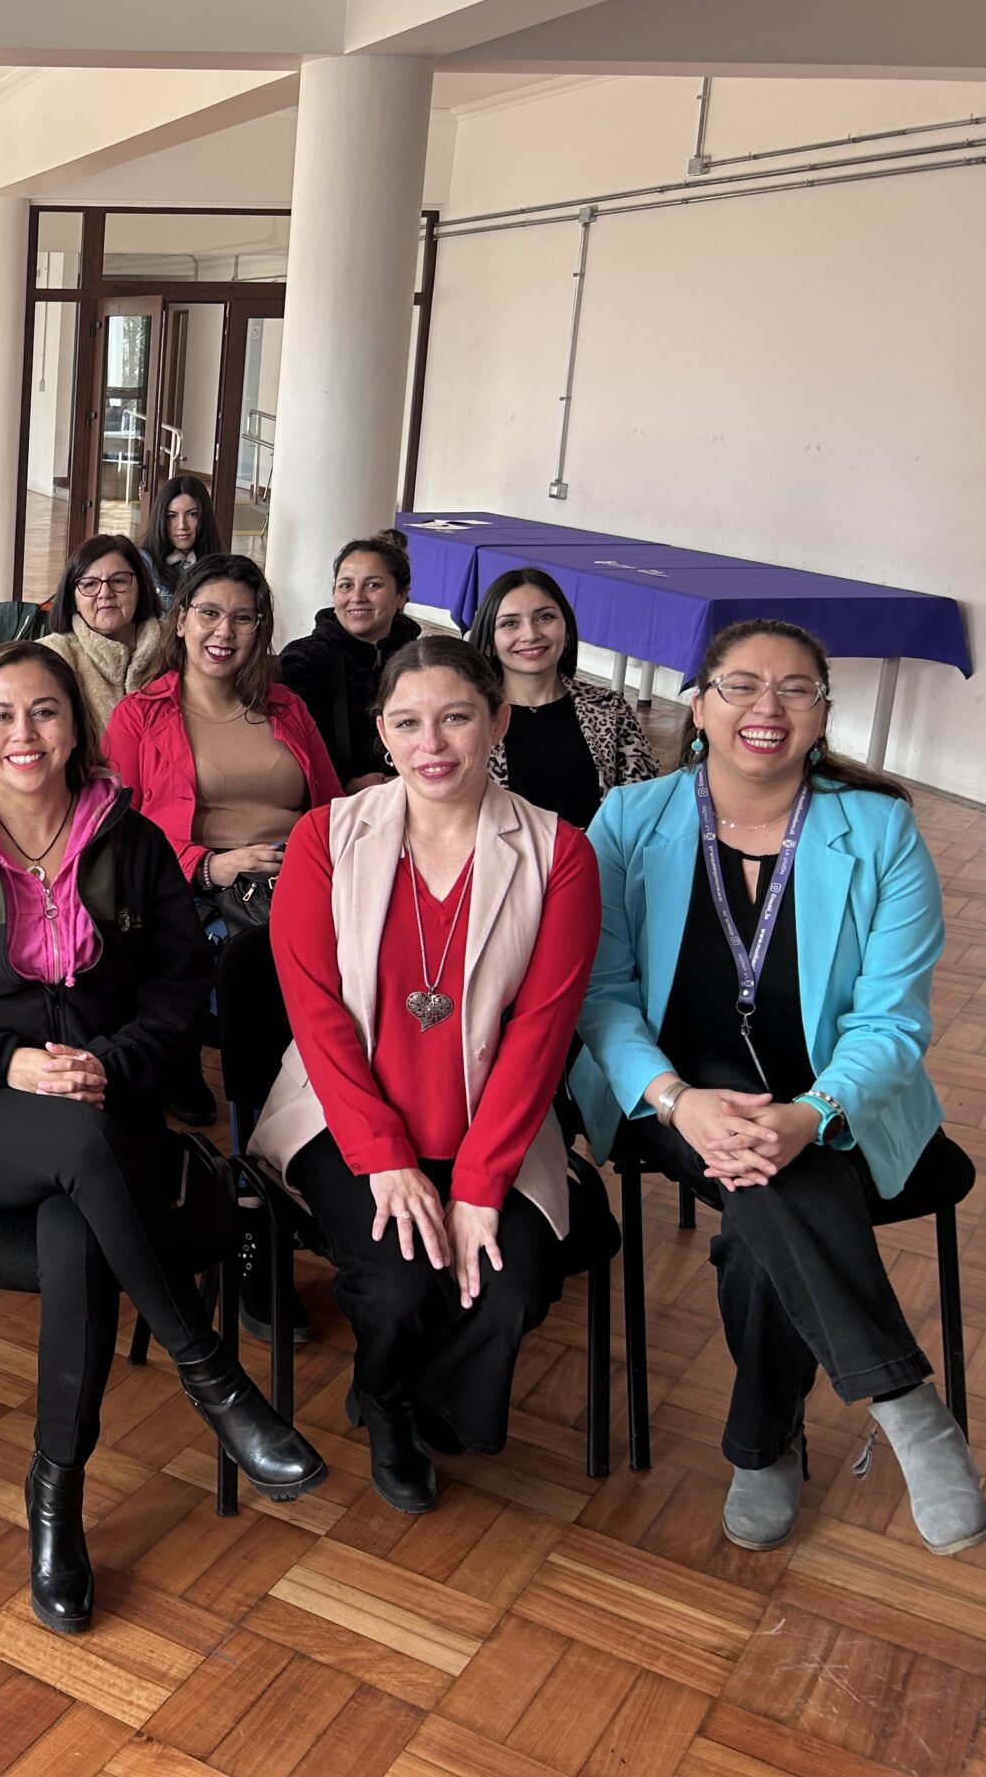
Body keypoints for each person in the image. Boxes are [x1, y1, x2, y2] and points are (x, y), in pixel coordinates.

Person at [0, 640, 325, 1633]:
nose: (23, 733)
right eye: (0, 715)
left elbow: (179, 992)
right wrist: (13, 1065)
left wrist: (108, 1064)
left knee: (77, 1220)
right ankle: (213, 1377)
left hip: (112, 1105)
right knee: (77, 1149)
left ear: (76, 724)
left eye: (43, 711)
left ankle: (56, 1494)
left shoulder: (134, 842)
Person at [572, 620, 986, 1557]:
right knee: (766, 1173)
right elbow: (601, 996)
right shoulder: (630, 821)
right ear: (699, 705)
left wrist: (813, 1113)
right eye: (742, 685)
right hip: (670, 1090)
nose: (768, 707)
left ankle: (766, 1444)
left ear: (823, 712)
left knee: (767, 1195)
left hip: (835, 1097)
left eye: (796, 688)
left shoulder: (879, 830)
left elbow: (892, 1023)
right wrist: (678, 1099)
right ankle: (904, 1403)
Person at [250, 637, 597, 1516]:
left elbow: (541, 1034)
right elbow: (315, 1015)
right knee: (401, 1283)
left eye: (455, 718)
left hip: (496, 1121)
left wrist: (478, 1186)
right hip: (343, 1114)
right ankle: (393, 1409)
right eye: (406, 723)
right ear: (382, 733)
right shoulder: (325, 836)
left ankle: (401, 1390)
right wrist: (385, 1159)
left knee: (510, 1283)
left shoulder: (558, 852)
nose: (431, 744)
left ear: (498, 721)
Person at [106, 554, 340, 920]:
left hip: (303, 881)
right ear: (181, 621)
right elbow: (116, 833)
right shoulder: (138, 715)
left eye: (242, 618)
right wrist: (208, 867)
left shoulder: (288, 706)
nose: (225, 631)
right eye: (209, 613)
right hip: (201, 896)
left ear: (258, 630)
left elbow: (334, 809)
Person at [466, 565, 658, 829]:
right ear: (489, 642)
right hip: (497, 855)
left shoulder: (609, 708)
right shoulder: (469, 715)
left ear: (566, 630)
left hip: (596, 853)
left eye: (545, 617)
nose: (531, 634)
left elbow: (644, 803)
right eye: (510, 623)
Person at [277, 535, 422, 792]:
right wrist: (345, 784)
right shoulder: (305, 659)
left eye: (373, 585)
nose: (357, 596)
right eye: (345, 585)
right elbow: (295, 745)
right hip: (335, 800)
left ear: (402, 595)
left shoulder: (422, 660)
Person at [38, 533, 174, 732]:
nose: (105, 593)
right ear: (73, 597)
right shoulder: (52, 655)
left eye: (118, 581)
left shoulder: (174, 645)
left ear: (140, 588)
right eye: (90, 584)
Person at [135, 471, 219, 603]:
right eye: (172, 516)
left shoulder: (220, 565)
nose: (182, 526)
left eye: (192, 514)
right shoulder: (144, 563)